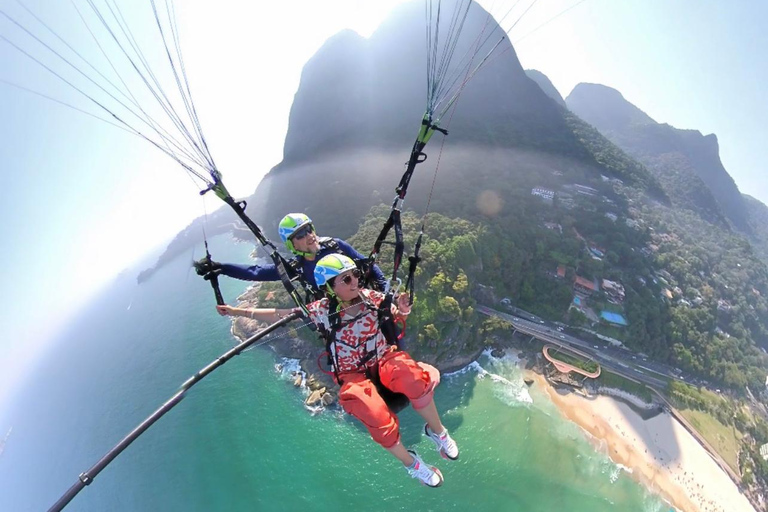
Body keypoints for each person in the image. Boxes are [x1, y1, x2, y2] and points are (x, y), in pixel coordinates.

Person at [216, 254, 459, 487]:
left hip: (383, 357)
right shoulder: (320, 311)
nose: (355, 281)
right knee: (374, 415)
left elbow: (397, 314)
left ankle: (438, 432)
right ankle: (412, 464)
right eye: (346, 279)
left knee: (414, 378)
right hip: (352, 373)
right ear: (330, 287)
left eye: (355, 275)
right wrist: (238, 312)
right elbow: (279, 315)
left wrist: (403, 307)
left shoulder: (370, 297)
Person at [195, 213, 387, 295]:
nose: (309, 236)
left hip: (366, 299)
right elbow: (257, 272)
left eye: (309, 229)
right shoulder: (298, 268)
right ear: (292, 244)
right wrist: (221, 267)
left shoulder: (335, 246)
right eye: (301, 235)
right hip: (341, 318)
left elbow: (367, 264)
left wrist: (386, 290)